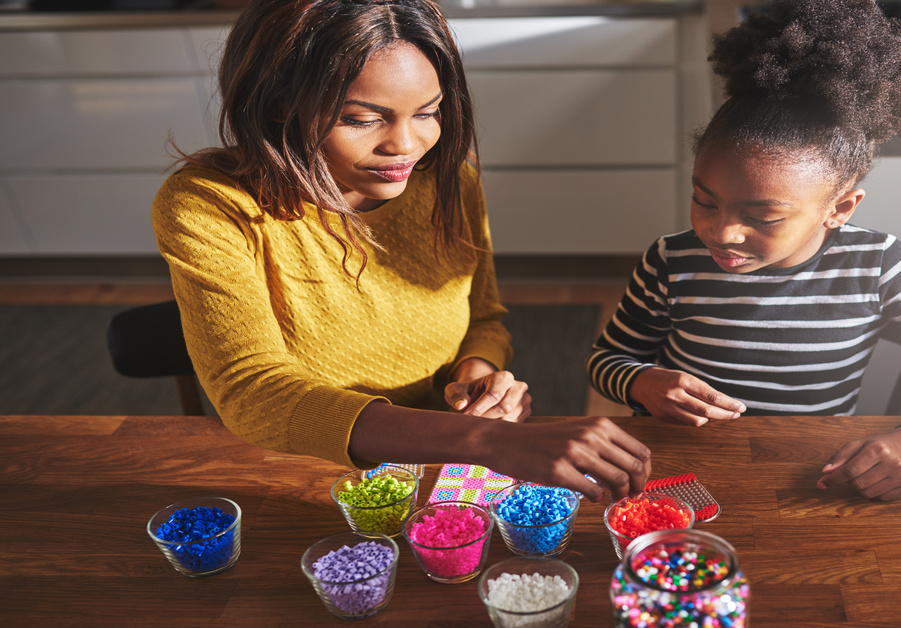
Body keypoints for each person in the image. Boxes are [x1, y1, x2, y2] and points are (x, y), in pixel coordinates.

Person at [152, 0, 649, 502]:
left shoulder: (449, 181)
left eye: (428, 112)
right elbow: (254, 392)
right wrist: (487, 439)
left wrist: (476, 374)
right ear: (281, 103)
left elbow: (485, 318)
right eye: (363, 118)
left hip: (442, 451)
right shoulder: (209, 205)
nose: (407, 146)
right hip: (300, 469)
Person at [587, 0, 901, 501]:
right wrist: (640, 383)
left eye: (763, 218)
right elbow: (608, 358)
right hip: (673, 472)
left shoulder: (881, 267)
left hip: (804, 479)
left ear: (839, 208)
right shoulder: (671, 261)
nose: (723, 232)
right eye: (704, 201)